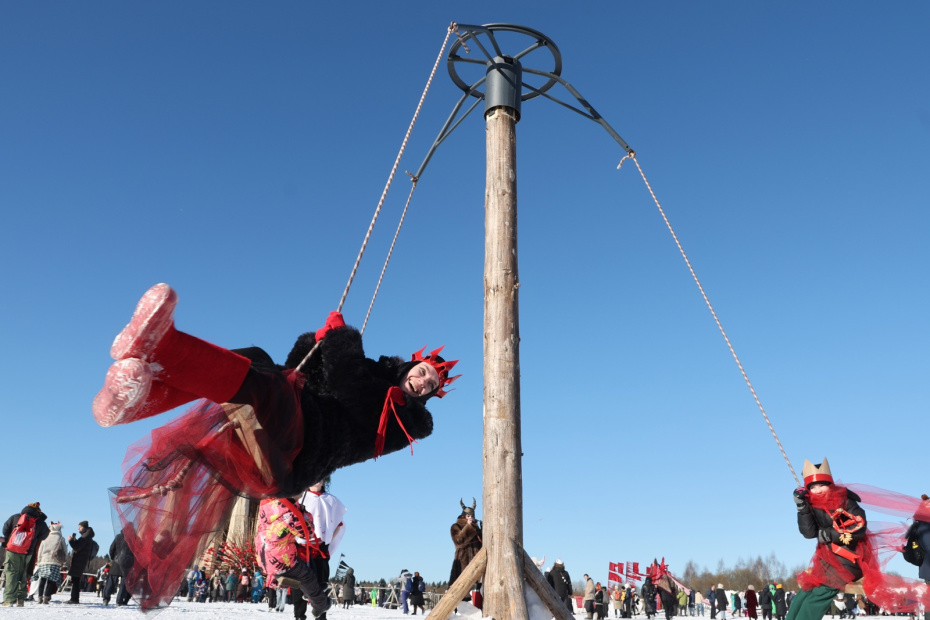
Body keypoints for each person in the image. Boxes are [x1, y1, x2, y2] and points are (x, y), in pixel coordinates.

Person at [95, 283, 459, 611]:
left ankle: (163, 350)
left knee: (261, 386)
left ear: (431, 396)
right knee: (256, 359)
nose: (424, 382)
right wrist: (315, 343)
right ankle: (142, 386)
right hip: (300, 423)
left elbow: (352, 390)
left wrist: (342, 340)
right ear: (415, 363)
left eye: (432, 385)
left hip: (300, 453)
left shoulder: (411, 421)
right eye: (425, 370)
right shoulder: (374, 372)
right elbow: (303, 371)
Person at [255, 495, 331, 618]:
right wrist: (304, 514)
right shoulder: (290, 514)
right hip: (281, 560)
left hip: (263, 557)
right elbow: (307, 533)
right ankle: (320, 604)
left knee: (299, 575)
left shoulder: (267, 505)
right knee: (306, 576)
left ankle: (312, 591)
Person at [294, 480, 346, 620]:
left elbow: (339, 524)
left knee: (322, 584)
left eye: (321, 476)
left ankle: (321, 615)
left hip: (320, 549)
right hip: (303, 547)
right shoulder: (300, 497)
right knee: (300, 583)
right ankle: (299, 616)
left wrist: (327, 542)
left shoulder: (331, 500)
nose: (318, 480)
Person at [1, 502, 50, 607]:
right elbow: (44, 535)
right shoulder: (40, 522)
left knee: (11, 573)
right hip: (28, 552)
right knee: (23, 573)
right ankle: (21, 599)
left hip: (12, 549)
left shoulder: (15, 517)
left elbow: (5, 529)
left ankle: (9, 600)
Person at [449, 498, 482, 596]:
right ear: (464, 516)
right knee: (461, 590)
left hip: (477, 561)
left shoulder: (476, 528)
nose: (470, 517)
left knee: (478, 591)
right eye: (468, 515)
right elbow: (459, 541)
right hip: (463, 562)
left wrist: (482, 530)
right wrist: (468, 527)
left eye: (472, 516)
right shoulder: (455, 526)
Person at [33, 518, 65, 604]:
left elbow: (40, 550)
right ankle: (46, 598)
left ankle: (40, 597)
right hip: (55, 562)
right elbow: (64, 551)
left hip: (44, 561)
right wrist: (63, 562)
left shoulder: (45, 537)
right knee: (50, 581)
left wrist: (39, 561)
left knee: (42, 580)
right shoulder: (61, 538)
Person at [65, 520, 96, 605]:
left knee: (75, 580)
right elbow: (79, 546)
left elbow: (77, 547)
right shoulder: (86, 536)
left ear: (84, 528)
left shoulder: (86, 536)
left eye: (80, 527)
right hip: (80, 560)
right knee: (75, 579)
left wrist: (71, 541)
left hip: (79, 560)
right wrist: (75, 541)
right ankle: (74, 598)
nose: (78, 528)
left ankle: (74, 599)